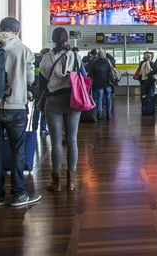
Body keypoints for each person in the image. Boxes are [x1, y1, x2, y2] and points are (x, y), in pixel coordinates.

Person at [0, 17, 40, 207]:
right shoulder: (23, 50)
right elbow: (30, 78)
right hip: (15, 106)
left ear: (0, 29)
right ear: (17, 31)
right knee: (18, 150)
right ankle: (19, 195)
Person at [40, 27, 85, 192]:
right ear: (67, 39)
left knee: (56, 142)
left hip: (53, 101)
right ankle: (71, 181)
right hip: (73, 100)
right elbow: (82, 77)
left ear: (52, 39)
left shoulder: (46, 58)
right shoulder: (75, 56)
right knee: (72, 140)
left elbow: (42, 83)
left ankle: (56, 181)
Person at [89, 49, 113, 120]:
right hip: (108, 83)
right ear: (104, 55)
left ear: (98, 55)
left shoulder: (94, 63)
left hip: (98, 84)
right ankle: (108, 114)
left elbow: (90, 74)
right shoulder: (108, 62)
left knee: (99, 99)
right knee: (108, 99)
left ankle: (99, 115)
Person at [34, 48, 51, 134]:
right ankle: (43, 128)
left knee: (36, 109)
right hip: (44, 89)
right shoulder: (45, 63)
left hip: (36, 87)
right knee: (44, 108)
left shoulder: (35, 61)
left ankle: (34, 128)